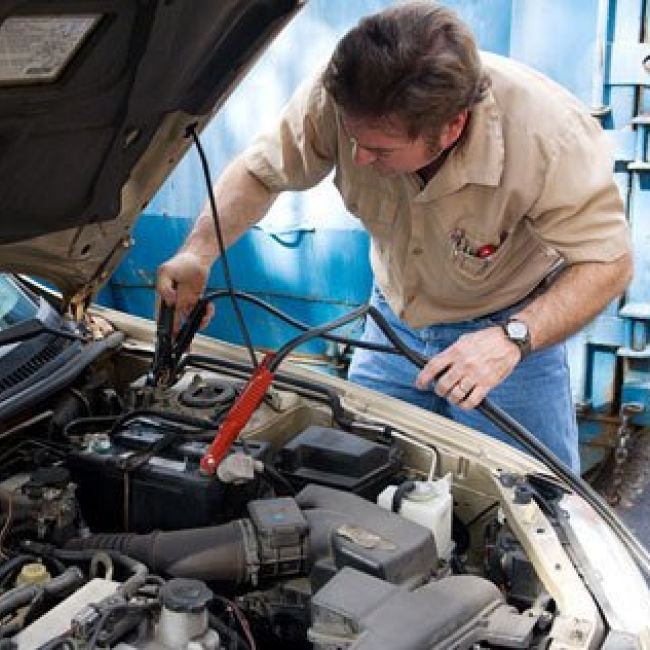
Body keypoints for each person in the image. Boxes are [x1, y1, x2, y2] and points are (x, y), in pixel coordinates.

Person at [157, 2, 632, 472]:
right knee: (355, 477)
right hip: (392, 326)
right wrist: (199, 253)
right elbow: (260, 173)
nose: (358, 158)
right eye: (352, 138)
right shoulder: (341, 95)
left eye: (379, 149)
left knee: (538, 498)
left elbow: (608, 263)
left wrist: (512, 339)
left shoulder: (548, 135)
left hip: (507, 335)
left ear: (451, 127)